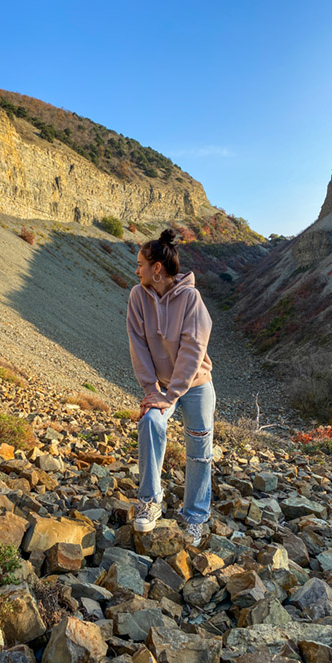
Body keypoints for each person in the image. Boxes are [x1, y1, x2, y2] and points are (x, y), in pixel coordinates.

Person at [126, 228, 215, 546]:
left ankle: (195, 517)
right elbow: (138, 346)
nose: (136, 270)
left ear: (157, 268)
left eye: (140, 264)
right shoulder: (138, 297)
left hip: (196, 385)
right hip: (162, 387)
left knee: (199, 452)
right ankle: (150, 501)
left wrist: (171, 394)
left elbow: (193, 351)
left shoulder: (191, 299)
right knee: (150, 421)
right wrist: (153, 391)